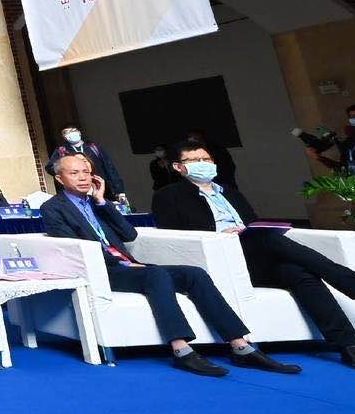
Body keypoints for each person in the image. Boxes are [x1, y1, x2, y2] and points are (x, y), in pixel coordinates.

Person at [152, 142, 355, 371]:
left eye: (206, 159)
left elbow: (253, 223)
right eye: (194, 160)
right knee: (269, 240)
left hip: (255, 256)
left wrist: (250, 231)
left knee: (299, 272)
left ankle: (350, 347)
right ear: (178, 167)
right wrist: (221, 234)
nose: (203, 164)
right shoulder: (169, 195)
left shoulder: (230, 193)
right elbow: (175, 235)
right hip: (219, 256)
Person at [39, 153, 293, 376]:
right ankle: (181, 349)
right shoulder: (53, 208)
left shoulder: (98, 204)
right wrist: (122, 263)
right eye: (75, 173)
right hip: (103, 270)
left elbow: (129, 235)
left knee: (194, 274)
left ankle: (240, 345)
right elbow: (73, 248)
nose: (83, 178)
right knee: (156, 275)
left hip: (128, 265)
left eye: (86, 172)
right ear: (60, 178)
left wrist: (103, 202)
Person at [45, 124, 127, 202]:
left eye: (73, 131)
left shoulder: (94, 148)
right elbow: (50, 167)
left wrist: (119, 190)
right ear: (64, 137)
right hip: (77, 189)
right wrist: (66, 170)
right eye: (66, 132)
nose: (70, 134)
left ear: (79, 132)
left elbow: (109, 168)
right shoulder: (62, 151)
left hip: (100, 188)